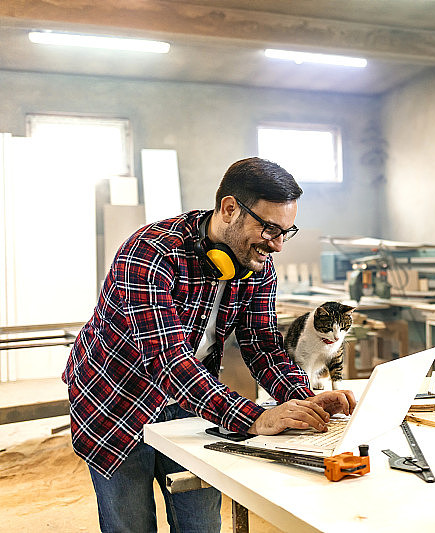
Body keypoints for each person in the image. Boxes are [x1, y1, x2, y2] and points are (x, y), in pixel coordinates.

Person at [63, 157, 356, 532]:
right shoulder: (150, 253)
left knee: (200, 523)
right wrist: (255, 417)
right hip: (117, 401)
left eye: (286, 231)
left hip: (192, 402)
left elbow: (264, 345)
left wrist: (301, 400)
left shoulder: (258, 264)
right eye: (269, 229)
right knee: (130, 524)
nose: (279, 246)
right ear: (230, 208)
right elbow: (169, 361)